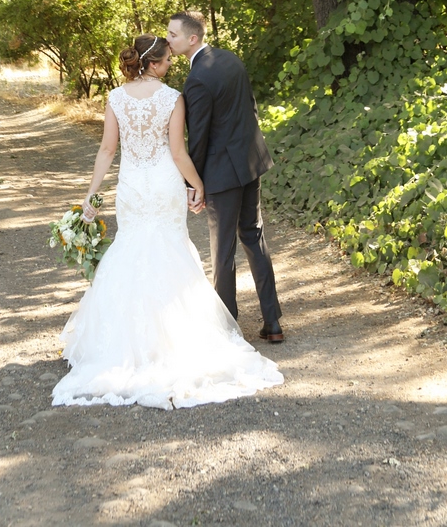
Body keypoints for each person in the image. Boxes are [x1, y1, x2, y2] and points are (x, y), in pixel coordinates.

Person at [51, 34, 283, 409]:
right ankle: (178, 337)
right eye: (167, 61)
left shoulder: (115, 97)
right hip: (162, 184)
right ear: (155, 63)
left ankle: (121, 344)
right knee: (170, 248)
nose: (171, 65)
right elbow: (177, 152)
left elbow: (107, 149)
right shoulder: (171, 98)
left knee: (131, 247)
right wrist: (199, 185)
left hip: (130, 185)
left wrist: (91, 194)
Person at [166, 10, 284, 344]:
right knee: (254, 236)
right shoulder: (230, 59)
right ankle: (273, 322)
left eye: (173, 35)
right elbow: (251, 107)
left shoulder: (197, 79)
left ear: (192, 38)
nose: (168, 40)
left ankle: (228, 327)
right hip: (251, 162)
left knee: (222, 251)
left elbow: (198, 137)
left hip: (221, 173)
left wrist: (194, 184)